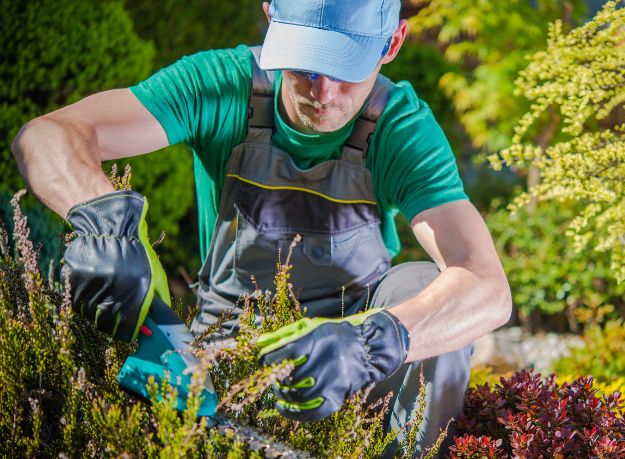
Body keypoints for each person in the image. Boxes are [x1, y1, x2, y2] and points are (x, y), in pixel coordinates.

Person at [12, 0, 512, 455]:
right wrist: (103, 221)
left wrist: (370, 342)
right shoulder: (221, 84)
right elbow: (46, 135)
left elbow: (486, 287)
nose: (323, 93)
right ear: (272, 17)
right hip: (227, 343)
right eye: (307, 65)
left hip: (351, 358)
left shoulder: (401, 128)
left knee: (424, 284)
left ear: (392, 44)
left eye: (347, 71)